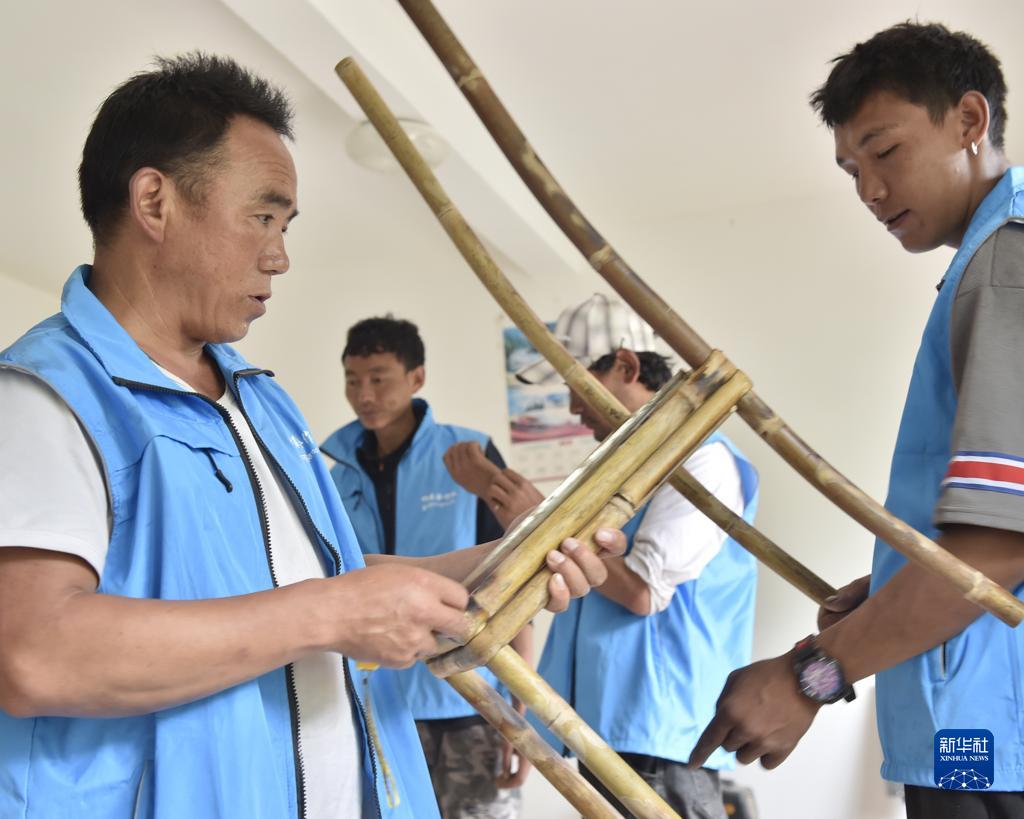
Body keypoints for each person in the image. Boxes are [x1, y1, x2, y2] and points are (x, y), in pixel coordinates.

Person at [0, 53, 624, 819]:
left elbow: (332, 574)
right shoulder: (44, 396)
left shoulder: (260, 401)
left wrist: (516, 554)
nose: (280, 255)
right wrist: (331, 613)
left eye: (286, 225)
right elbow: (34, 652)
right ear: (155, 202)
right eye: (263, 216)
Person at [688, 22, 1024, 818]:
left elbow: (999, 545)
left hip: (988, 736)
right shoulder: (984, 265)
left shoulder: (1004, 265)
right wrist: (892, 589)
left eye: (886, 151)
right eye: (851, 170)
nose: (870, 190)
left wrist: (812, 673)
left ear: (969, 120)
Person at [451, 295, 760, 819]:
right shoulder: (625, 467)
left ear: (626, 367)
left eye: (577, 388)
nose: (572, 408)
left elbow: (641, 591)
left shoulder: (702, 462)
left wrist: (537, 521)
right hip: (610, 730)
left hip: (659, 736)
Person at [320, 316, 531, 817]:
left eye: (379, 378)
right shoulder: (333, 475)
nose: (364, 394)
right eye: (353, 380)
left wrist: (520, 711)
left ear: (417, 377)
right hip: (373, 705)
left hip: (468, 699)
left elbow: (517, 578)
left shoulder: (468, 456)